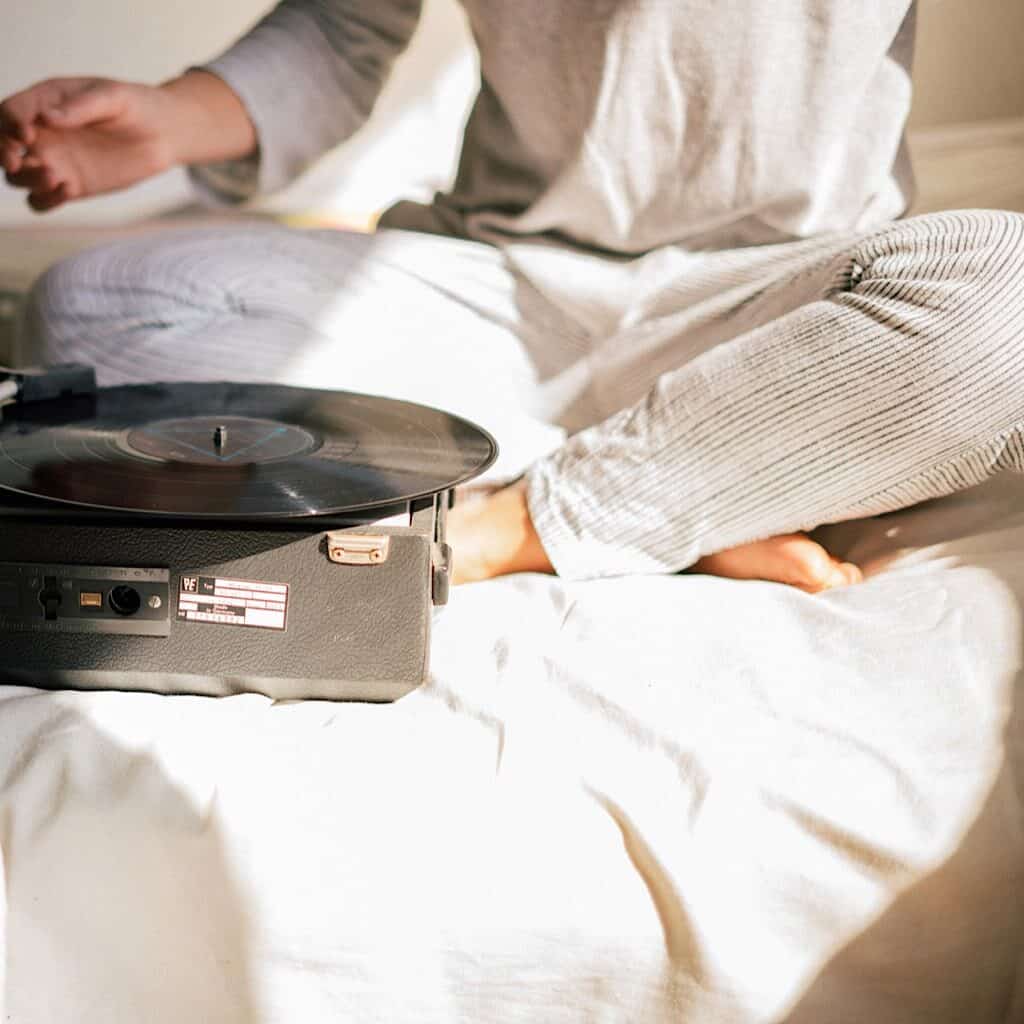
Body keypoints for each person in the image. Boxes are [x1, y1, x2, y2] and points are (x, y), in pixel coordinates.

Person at [2, 1, 1023, 591]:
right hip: (505, 284)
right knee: (97, 305)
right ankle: (699, 485)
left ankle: (520, 524)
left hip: (778, 301)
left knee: (1009, 294)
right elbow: (344, 25)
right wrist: (174, 117)